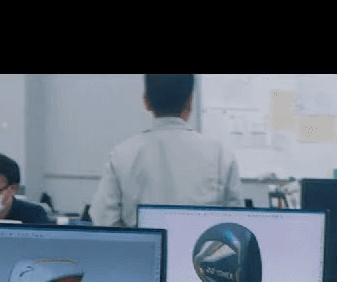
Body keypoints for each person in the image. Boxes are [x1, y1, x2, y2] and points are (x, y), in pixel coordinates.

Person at [89, 74, 245, 228]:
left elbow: (103, 221)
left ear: (146, 101)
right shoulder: (221, 156)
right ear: (190, 102)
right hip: (200, 245)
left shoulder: (122, 155)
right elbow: (237, 226)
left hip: (143, 245)